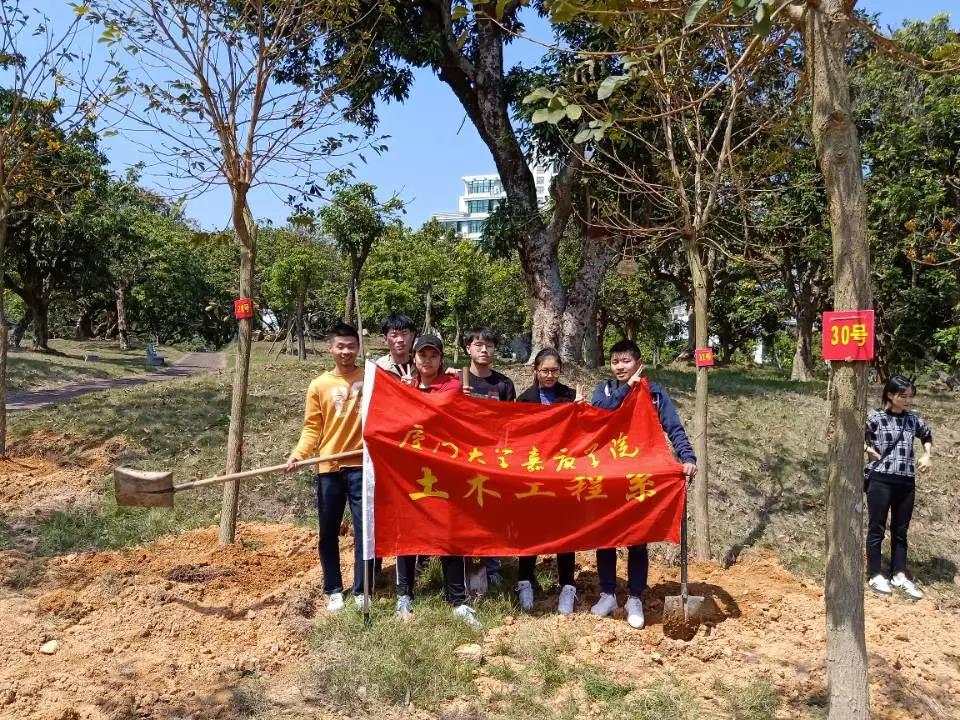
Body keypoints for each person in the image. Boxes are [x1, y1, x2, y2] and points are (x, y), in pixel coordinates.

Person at [590, 339, 697, 629]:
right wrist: (628, 387)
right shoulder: (605, 391)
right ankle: (608, 593)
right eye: (615, 361)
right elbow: (600, 413)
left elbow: (673, 427)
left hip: (640, 476)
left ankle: (635, 596)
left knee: (637, 538)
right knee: (606, 537)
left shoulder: (656, 394)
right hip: (609, 476)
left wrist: (687, 457)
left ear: (639, 362)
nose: (620, 366)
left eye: (626, 361)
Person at [285, 323, 373, 613]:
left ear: (357, 347)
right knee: (327, 531)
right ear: (330, 348)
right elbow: (312, 427)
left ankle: (362, 589)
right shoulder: (319, 385)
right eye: (340, 346)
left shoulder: (371, 378)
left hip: (363, 465)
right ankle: (334, 588)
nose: (346, 351)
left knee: (365, 530)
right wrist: (299, 454)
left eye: (351, 346)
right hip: (329, 467)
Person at [395, 334, 479, 626]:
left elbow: (446, 414)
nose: (427, 360)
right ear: (413, 359)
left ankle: (457, 599)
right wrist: (404, 395)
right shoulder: (403, 386)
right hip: (410, 473)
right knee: (407, 530)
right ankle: (404, 594)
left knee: (449, 531)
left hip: (445, 470)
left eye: (433, 355)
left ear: (441, 359)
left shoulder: (453, 385)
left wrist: (413, 396)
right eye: (422, 355)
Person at [515, 348, 579, 614]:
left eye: (554, 370)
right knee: (530, 529)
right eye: (545, 370)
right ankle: (525, 580)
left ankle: (567, 585)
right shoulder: (524, 400)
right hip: (534, 474)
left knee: (565, 531)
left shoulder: (571, 397)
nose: (550, 375)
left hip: (563, 473)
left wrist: (581, 410)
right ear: (535, 371)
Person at [864, 375, 933, 600]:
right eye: (903, 396)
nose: (907, 400)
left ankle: (899, 574)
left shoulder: (913, 420)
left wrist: (927, 454)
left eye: (909, 396)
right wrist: (868, 449)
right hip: (880, 480)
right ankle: (875, 573)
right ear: (890, 395)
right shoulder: (874, 418)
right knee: (877, 528)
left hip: (905, 482)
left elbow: (927, 435)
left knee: (900, 531)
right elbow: (854, 434)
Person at [462, 327, 516, 589]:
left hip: (495, 458)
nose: (484, 350)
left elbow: (511, 423)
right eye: (479, 345)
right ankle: (468, 564)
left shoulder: (503, 384)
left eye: (489, 346)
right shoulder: (458, 381)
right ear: (468, 349)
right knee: (468, 513)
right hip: (464, 459)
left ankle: (493, 565)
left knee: (493, 513)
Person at [376, 312, 416, 378]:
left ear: (412, 336)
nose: (400, 340)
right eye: (394, 335)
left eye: (404, 334)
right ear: (385, 339)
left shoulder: (420, 367)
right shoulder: (379, 368)